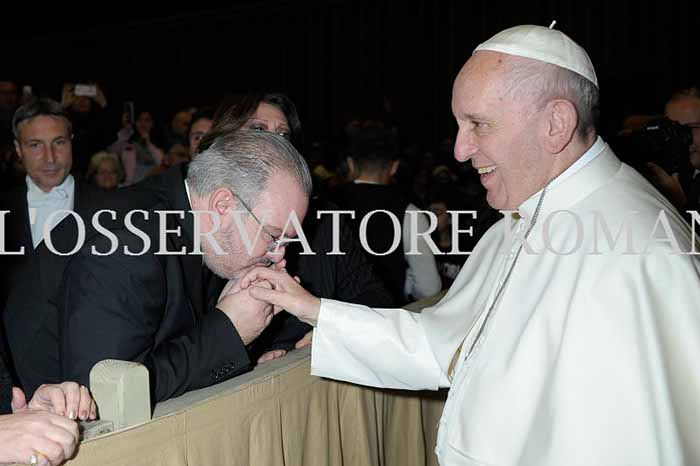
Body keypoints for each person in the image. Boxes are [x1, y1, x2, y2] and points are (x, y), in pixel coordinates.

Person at [238, 25, 700, 465]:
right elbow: (440, 345)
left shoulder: (640, 253)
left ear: (556, 123)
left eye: (478, 124)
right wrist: (316, 311)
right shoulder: (518, 221)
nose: (460, 150)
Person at [4, 130, 312, 402]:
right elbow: (108, 394)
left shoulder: (199, 222)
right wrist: (230, 331)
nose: (279, 256)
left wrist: (252, 350)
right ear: (222, 205)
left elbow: (177, 342)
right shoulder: (126, 244)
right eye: (274, 236)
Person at [200, 93, 394, 363]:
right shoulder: (198, 222)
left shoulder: (323, 221)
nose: (274, 142)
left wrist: (333, 330)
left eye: (284, 135)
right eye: (258, 129)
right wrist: (245, 360)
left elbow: (376, 300)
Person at [0, 98, 97, 309]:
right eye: (35, 145)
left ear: (71, 142)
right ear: (18, 149)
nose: (50, 158)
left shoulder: (110, 209)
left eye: (59, 142)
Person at [336, 129, 442, 304]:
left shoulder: (323, 205)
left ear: (350, 164)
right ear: (394, 167)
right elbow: (428, 288)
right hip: (385, 315)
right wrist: (406, 284)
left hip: (330, 315)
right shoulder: (409, 212)